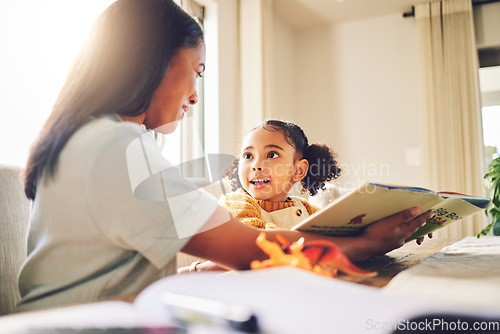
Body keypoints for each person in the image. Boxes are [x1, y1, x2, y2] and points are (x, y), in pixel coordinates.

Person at [17, 0, 433, 312]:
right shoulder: (117, 148)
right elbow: (253, 248)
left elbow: (107, 270)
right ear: (154, 61)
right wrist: (367, 242)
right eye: (197, 71)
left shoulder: (91, 138)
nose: (195, 96)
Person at [219, 119, 340, 230]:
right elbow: (256, 239)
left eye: (271, 155)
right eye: (248, 156)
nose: (256, 165)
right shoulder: (235, 203)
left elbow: (333, 229)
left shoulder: (306, 209)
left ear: (299, 171)